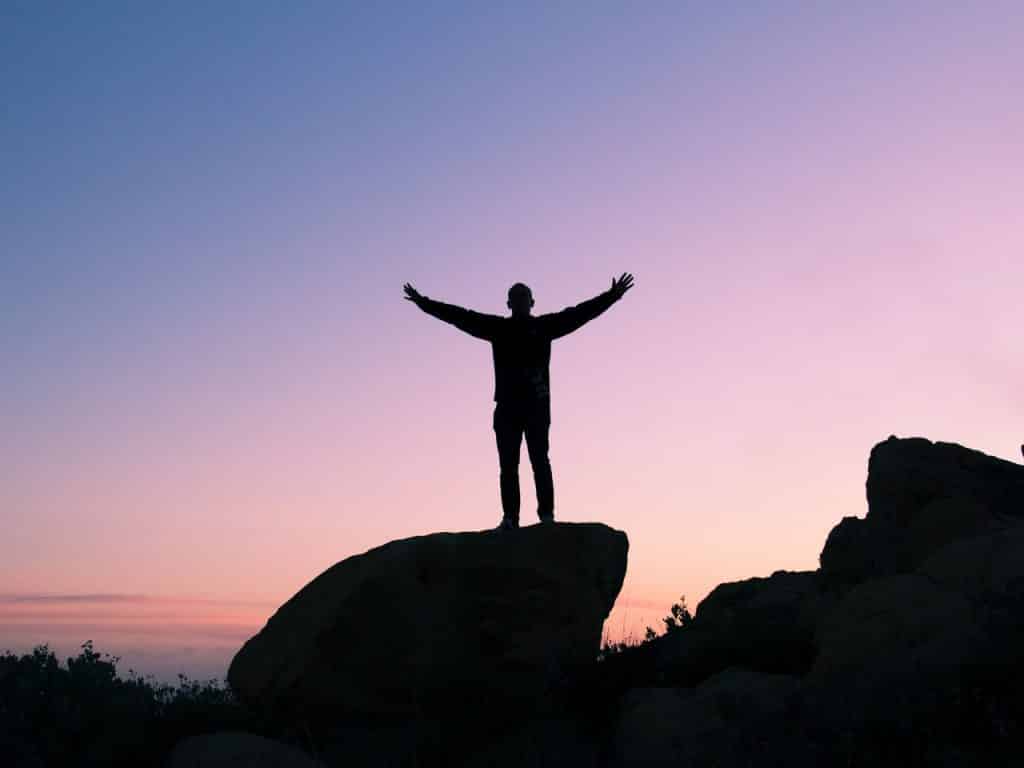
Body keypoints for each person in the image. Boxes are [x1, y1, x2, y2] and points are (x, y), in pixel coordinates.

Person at [403, 273, 634, 530]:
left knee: (540, 461)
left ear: (532, 302)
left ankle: (546, 516)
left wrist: (611, 296)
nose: (520, 301)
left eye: (524, 297)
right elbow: (460, 316)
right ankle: (510, 518)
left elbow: (580, 314)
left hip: (536, 406)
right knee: (508, 466)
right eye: (515, 297)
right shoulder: (499, 329)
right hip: (507, 408)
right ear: (508, 304)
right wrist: (424, 303)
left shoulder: (545, 327)